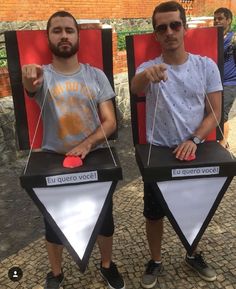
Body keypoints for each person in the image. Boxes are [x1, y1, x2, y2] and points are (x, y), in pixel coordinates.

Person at [21, 11, 125, 289]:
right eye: (57, 30)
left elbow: (111, 122)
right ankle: (56, 274)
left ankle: (106, 265)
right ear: (48, 37)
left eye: (69, 30)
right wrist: (28, 78)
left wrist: (86, 144)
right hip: (54, 160)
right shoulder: (42, 76)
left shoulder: (96, 75)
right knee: (53, 225)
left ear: (78, 36)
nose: (64, 35)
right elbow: (29, 86)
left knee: (104, 220)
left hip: (94, 157)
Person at [131, 2, 223, 289]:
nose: (169, 31)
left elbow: (215, 113)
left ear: (185, 27)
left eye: (175, 25)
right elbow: (135, 89)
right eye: (162, 27)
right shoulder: (148, 67)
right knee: (154, 212)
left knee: (195, 207)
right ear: (155, 35)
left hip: (195, 149)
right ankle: (156, 260)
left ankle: (192, 253)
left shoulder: (205, 65)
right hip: (159, 151)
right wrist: (146, 77)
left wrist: (194, 140)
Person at [214, 7, 236, 148]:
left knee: (223, 115)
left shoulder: (233, 39)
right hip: (214, 83)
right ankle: (216, 139)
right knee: (213, 112)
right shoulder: (212, 37)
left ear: (228, 20)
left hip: (229, 83)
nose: (216, 21)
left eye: (220, 18)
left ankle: (223, 143)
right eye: (214, 18)